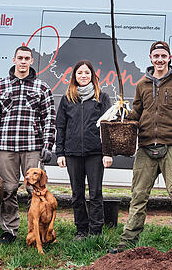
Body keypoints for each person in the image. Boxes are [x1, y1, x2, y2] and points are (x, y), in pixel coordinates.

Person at [111, 41, 172, 251]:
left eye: (163, 56)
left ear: (169, 58)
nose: (160, 60)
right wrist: (124, 114)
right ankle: (127, 242)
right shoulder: (142, 85)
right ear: (150, 59)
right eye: (156, 56)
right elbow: (137, 114)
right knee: (138, 195)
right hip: (146, 148)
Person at [0, 45, 56, 244]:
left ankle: (39, 230)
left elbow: (49, 118)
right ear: (14, 60)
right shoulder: (1, 86)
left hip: (32, 145)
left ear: (32, 61)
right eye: (20, 58)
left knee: (36, 190)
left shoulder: (42, 87)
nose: (23, 62)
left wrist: (47, 145)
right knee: (8, 189)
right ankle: (9, 230)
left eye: (27, 58)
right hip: (7, 146)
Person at [55, 60, 111, 239]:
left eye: (87, 72)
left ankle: (96, 231)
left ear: (93, 76)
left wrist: (107, 152)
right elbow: (60, 126)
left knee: (95, 193)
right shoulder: (67, 99)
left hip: (95, 153)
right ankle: (81, 230)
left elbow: (109, 127)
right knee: (77, 194)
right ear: (74, 77)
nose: (83, 76)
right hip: (72, 153)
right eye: (80, 73)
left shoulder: (102, 97)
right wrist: (60, 152)